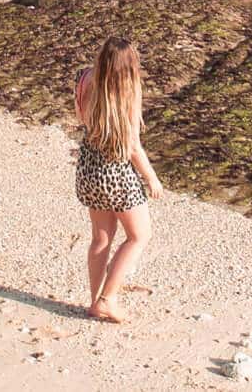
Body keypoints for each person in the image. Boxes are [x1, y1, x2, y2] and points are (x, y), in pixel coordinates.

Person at [72, 36, 163, 321]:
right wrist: (151, 178)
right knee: (139, 236)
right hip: (116, 172)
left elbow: (80, 116)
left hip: (88, 167)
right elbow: (133, 146)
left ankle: (95, 299)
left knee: (101, 238)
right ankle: (107, 300)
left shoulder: (85, 79)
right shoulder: (127, 91)